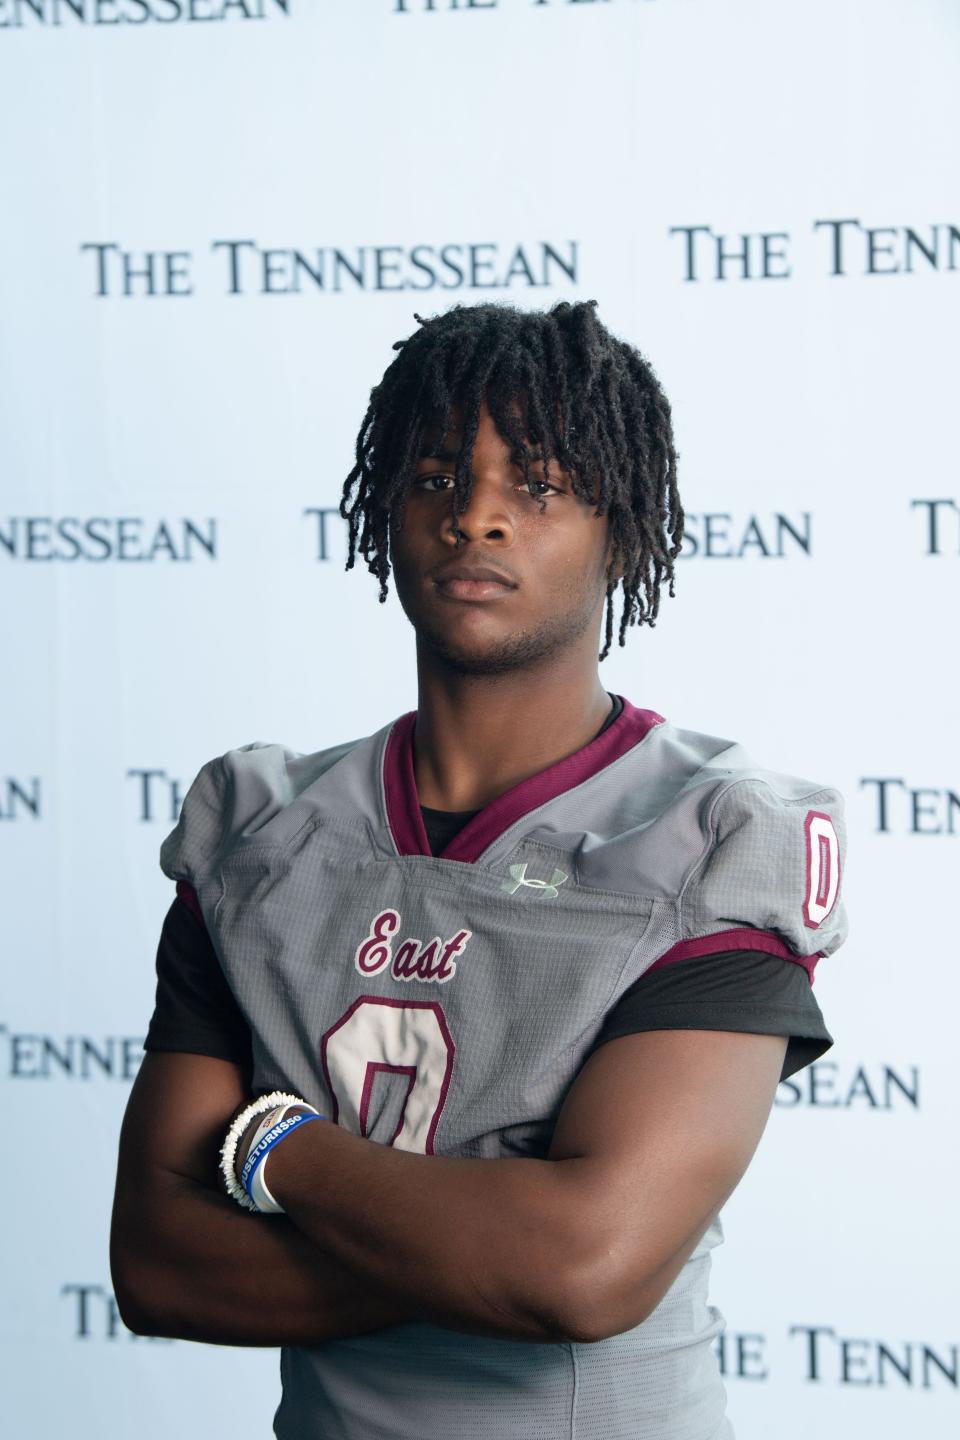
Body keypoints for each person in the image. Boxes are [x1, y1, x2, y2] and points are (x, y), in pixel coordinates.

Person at [111, 299, 846, 1440]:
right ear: (385, 509)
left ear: (621, 523)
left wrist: (273, 1147)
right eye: (439, 476)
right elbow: (158, 1263)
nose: (478, 519)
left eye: (539, 485)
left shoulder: (705, 835)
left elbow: (584, 1272)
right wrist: (493, 1247)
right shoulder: (260, 832)